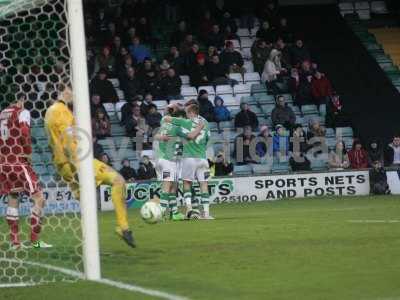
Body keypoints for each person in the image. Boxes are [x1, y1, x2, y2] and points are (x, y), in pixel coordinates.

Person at [44, 86, 135, 248]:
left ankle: (89, 246)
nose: (74, 94)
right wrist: (78, 167)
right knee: (119, 181)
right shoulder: (62, 110)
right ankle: (124, 227)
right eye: (72, 90)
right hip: (77, 161)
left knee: (87, 204)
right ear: (65, 90)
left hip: (62, 165)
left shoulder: (49, 112)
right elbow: (67, 141)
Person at [0, 93, 52, 249]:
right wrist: (28, 152)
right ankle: (35, 240)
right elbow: (23, 131)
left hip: (4, 162)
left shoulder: (2, 113)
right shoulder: (22, 112)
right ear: (21, 99)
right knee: (39, 199)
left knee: (13, 197)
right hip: (18, 161)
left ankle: (15, 242)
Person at [154, 103, 204, 220]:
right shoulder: (178, 127)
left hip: (164, 159)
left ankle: (174, 212)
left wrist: (175, 106)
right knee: (167, 186)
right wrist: (199, 127)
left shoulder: (164, 123)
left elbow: (156, 135)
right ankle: (160, 212)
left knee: (173, 186)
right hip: (168, 160)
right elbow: (191, 136)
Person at [164, 101, 213, 219]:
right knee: (204, 184)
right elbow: (208, 140)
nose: (185, 114)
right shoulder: (205, 123)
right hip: (202, 158)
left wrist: (172, 108)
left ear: (191, 112)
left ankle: (189, 210)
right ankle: (206, 214)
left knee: (186, 183)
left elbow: (166, 118)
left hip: (188, 157)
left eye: (186, 112)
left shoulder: (185, 122)